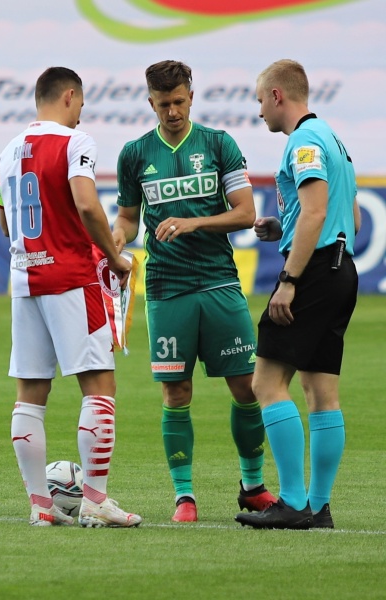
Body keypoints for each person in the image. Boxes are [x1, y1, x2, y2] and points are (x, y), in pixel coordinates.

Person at [113, 59, 276, 522]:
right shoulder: (135, 154)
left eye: (179, 102)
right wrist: (116, 239)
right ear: (150, 102)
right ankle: (184, 497)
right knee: (176, 392)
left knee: (246, 386)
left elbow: (245, 213)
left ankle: (253, 487)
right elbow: (127, 217)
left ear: (191, 96)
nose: (172, 112)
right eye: (163, 104)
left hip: (219, 281)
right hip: (167, 288)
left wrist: (194, 222)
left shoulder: (219, 144)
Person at [0, 66, 142, 528]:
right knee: (99, 385)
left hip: (25, 282)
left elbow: (5, 222)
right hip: (72, 278)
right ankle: (95, 501)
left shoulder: (6, 151)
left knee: (29, 395)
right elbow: (85, 202)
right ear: (70, 96)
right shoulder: (75, 141)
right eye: (80, 104)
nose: (81, 113)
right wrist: (115, 259)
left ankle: (41, 506)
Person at [235, 59, 361, 530]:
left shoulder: (304, 141)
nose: (259, 112)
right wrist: (282, 228)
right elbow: (350, 217)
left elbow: (315, 212)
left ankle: (291, 501)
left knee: (266, 383)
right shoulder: (334, 140)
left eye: (260, 101)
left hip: (312, 272)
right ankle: (319, 507)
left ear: (277, 96)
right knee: (321, 392)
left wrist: (289, 280)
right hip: (342, 269)